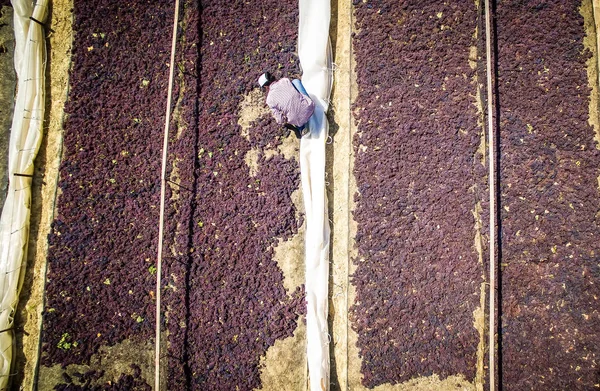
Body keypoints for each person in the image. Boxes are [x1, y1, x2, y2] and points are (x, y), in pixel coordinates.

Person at [258, 72, 315, 138]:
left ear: (265, 87)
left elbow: (280, 120)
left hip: (299, 121)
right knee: (295, 81)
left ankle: (302, 129)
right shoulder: (284, 80)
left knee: (291, 114)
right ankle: (308, 104)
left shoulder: (269, 100)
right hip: (310, 108)